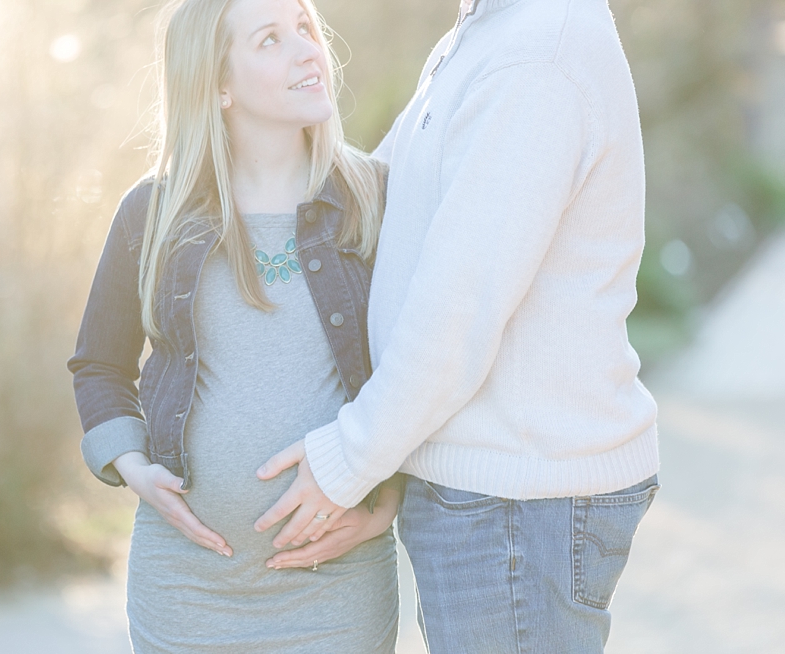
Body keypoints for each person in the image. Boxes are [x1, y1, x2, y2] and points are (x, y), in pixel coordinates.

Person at [255, 0, 661, 651]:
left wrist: (348, 462)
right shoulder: (487, 32)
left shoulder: (538, 49)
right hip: (494, 495)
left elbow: (458, 310)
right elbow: (377, 203)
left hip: (516, 502)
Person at [67, 0, 401, 651]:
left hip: (335, 590)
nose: (308, 49)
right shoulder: (152, 213)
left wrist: (393, 496)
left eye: (306, 29)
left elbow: (424, 373)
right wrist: (133, 467)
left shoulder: (375, 199)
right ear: (217, 82)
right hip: (186, 590)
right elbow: (99, 366)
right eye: (271, 40)